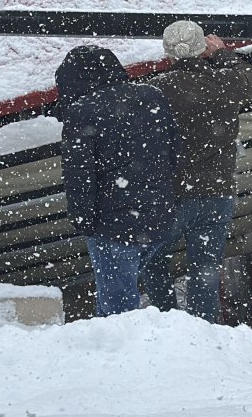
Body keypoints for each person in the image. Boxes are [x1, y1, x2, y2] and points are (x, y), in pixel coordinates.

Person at [142, 21, 252, 323]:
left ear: (167, 53)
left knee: (153, 260)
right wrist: (222, 53)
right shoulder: (224, 83)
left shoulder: (155, 91)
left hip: (169, 194)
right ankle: (203, 329)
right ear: (202, 49)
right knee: (206, 270)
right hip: (215, 192)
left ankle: (166, 319)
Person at [55, 45, 179, 317]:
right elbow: (172, 152)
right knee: (116, 298)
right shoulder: (152, 97)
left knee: (118, 311)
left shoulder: (81, 112)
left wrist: (82, 219)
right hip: (158, 217)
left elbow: (79, 175)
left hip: (112, 225)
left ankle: (124, 354)